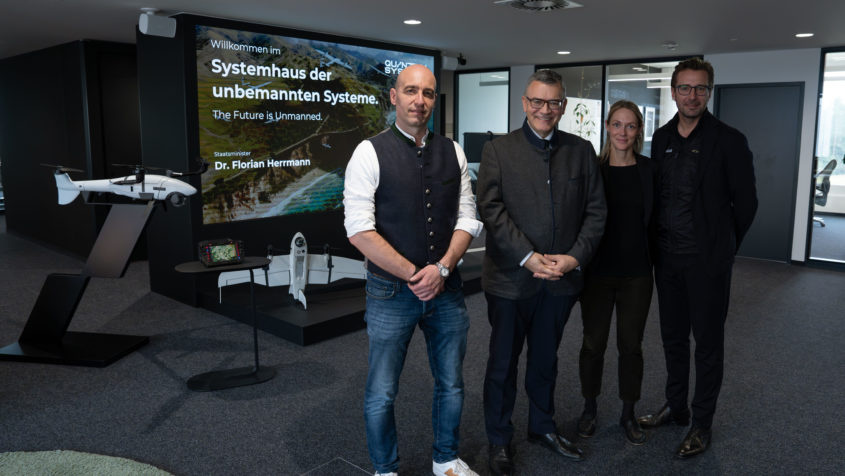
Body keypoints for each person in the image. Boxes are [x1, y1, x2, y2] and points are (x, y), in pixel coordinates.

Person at [343, 64, 482, 476]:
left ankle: (445, 461)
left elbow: (468, 218)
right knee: (382, 392)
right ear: (393, 97)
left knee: (452, 383)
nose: (419, 100)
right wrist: (414, 274)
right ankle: (385, 469)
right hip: (390, 294)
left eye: (427, 93)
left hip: (447, 288)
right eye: (410, 91)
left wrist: (440, 269)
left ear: (435, 99)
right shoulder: (368, 152)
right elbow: (358, 230)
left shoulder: (452, 151)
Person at [476, 69, 606, 475]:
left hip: (562, 280)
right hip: (510, 281)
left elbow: (596, 212)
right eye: (537, 101)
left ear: (563, 106)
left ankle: (541, 426)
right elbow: (491, 211)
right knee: (503, 364)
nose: (544, 110)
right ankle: (499, 439)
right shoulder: (499, 150)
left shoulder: (581, 150)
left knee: (546, 360)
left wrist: (573, 258)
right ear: (524, 103)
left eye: (553, 102)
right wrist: (528, 257)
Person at [637, 58, 757, 458]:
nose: (692, 95)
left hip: (707, 263)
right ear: (672, 91)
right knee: (672, 339)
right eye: (684, 88)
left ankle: (702, 423)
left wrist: (724, 247)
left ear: (710, 91)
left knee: (707, 345)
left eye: (700, 88)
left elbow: (747, 203)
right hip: (667, 260)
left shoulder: (729, 139)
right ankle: (676, 407)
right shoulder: (661, 137)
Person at [576, 100, 653, 446]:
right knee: (593, 345)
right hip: (597, 274)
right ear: (607, 127)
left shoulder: (650, 171)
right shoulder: (593, 170)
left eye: (631, 126)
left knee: (631, 346)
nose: (623, 132)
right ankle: (589, 408)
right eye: (617, 125)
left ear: (639, 131)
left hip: (637, 274)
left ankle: (627, 412)